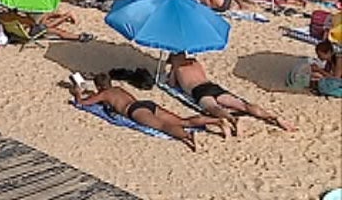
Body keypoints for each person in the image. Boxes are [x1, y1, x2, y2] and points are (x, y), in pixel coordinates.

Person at [71, 73, 223, 151]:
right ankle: (215, 121)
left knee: (163, 126)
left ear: (99, 86)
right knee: (182, 120)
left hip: (134, 111)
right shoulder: (118, 89)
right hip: (145, 104)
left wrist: (77, 92)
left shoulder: (103, 94)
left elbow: (82, 103)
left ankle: (188, 135)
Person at [166, 53, 296, 134]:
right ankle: (273, 117)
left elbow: (171, 85)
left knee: (213, 108)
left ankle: (233, 120)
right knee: (243, 105)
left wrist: (172, 71)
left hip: (199, 90)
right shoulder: (195, 62)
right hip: (212, 86)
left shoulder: (177, 68)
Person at [0, 10, 93, 42]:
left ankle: (78, 35)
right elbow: (32, 23)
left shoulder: (2, 17)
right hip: (31, 33)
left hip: (23, 33)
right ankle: (66, 17)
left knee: (47, 20)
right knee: (56, 30)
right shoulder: (18, 17)